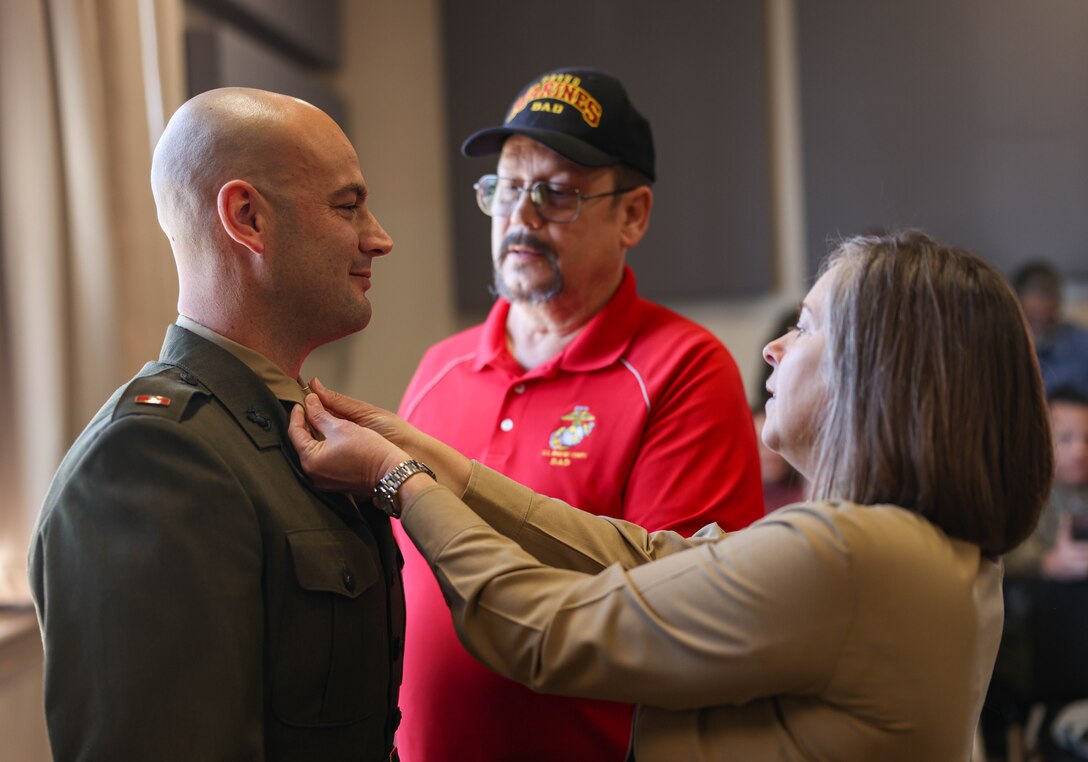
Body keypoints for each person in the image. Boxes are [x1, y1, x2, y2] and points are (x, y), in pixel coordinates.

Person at [290, 230, 1052, 761]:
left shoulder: (852, 554)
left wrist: (398, 481)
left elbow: (543, 631)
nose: (774, 347)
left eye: (809, 327)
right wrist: (440, 464)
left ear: (881, 370)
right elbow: (651, 556)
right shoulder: (923, 549)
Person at [393, 66, 763, 759]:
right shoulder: (438, 369)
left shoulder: (682, 370)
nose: (521, 217)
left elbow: (684, 615)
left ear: (634, 214)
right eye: (506, 187)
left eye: (557, 195)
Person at [27, 88, 402, 761]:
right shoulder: (153, 458)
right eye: (348, 206)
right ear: (248, 217)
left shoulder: (281, 427)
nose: (379, 238)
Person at [1006, 387, 1088, 580]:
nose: (1079, 452)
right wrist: (1047, 563)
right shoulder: (1023, 494)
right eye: (1066, 439)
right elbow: (1004, 555)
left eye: (1087, 439)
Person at [1012, 261, 1088, 398]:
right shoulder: (1002, 346)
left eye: (1047, 318)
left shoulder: (1082, 347)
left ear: (1058, 305)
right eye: (1032, 318)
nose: (1039, 327)